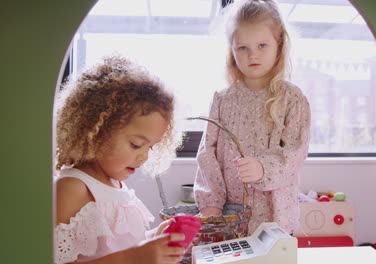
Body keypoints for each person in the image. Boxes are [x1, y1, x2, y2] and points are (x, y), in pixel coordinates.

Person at [194, 0, 311, 235]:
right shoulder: (223, 99)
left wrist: (263, 168)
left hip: (273, 216)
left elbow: (294, 153)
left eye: (262, 45)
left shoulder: (291, 98)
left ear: (278, 44)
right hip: (229, 216)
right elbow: (208, 152)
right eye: (243, 48)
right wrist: (211, 203)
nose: (252, 55)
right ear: (232, 50)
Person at [54, 55, 185, 264]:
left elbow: (115, 250)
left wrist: (154, 242)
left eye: (150, 147)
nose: (144, 157)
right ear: (96, 132)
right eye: (136, 144)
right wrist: (134, 258)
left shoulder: (117, 185)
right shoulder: (73, 189)